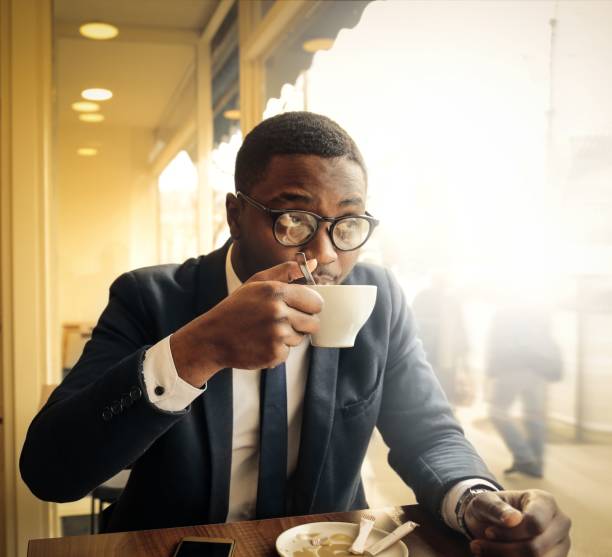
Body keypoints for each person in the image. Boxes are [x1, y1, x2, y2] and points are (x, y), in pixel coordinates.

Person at [20, 112, 570, 555]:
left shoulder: (378, 299)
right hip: (178, 545)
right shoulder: (151, 298)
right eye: (294, 220)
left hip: (334, 546)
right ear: (236, 216)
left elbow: (428, 432)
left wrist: (478, 500)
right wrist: (198, 349)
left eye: (347, 223)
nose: (325, 255)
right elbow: (51, 473)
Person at [487, 303, 563, 478]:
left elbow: (496, 340)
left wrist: (491, 371)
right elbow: (548, 337)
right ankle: (536, 464)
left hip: (511, 368)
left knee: (497, 412)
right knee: (534, 417)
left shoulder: (505, 310)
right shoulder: (540, 308)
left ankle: (525, 457)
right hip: (538, 369)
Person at [412, 272, 472, 407]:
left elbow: (460, 332)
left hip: (441, 360)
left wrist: (465, 364)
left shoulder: (450, 300)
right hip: (432, 358)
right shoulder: (427, 298)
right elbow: (461, 332)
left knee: (440, 398)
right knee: (433, 398)